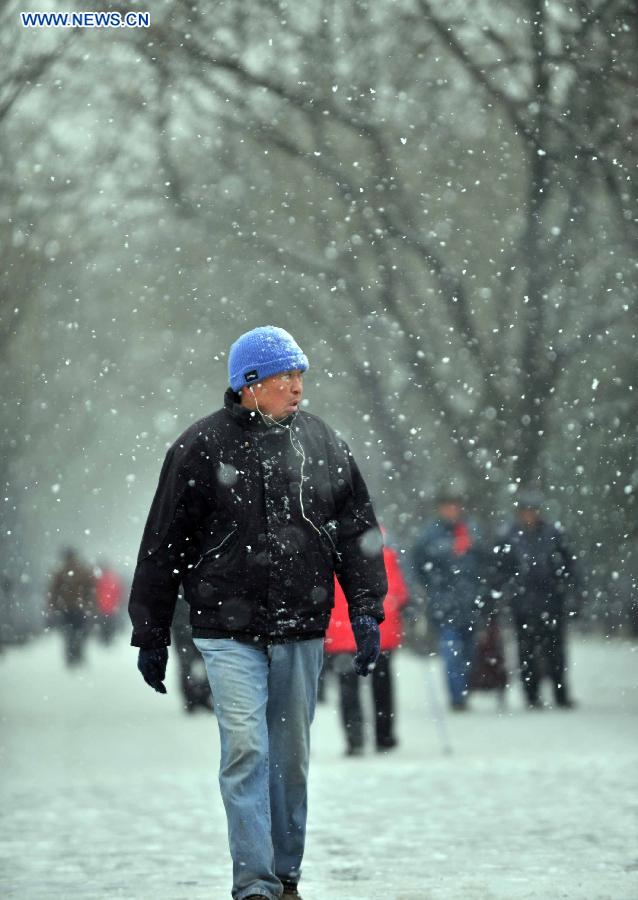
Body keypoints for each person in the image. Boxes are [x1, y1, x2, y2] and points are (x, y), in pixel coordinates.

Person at [128, 325, 387, 900]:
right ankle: (255, 884)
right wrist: (151, 632)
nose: (297, 386)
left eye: (300, 375)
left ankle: (285, 872)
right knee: (246, 749)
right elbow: (163, 544)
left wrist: (367, 609)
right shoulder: (199, 448)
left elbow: (358, 533)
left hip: (303, 624)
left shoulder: (323, 443)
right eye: (285, 375)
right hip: (227, 629)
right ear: (249, 384)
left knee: (289, 761)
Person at [495, 488, 580, 709]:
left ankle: (560, 694)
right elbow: (500, 569)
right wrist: (509, 589)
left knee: (555, 651)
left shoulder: (553, 534)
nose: (529, 515)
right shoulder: (509, 535)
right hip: (522, 604)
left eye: (533, 510)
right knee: (526, 652)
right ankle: (531, 695)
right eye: (526, 511)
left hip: (551, 601)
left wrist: (564, 586)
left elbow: (568, 564)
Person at [325, 531, 409, 755]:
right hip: (379, 629)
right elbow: (398, 591)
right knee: (382, 686)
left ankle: (355, 739)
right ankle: (384, 736)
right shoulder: (383, 549)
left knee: (348, 688)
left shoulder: (328, 545)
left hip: (341, 630)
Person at [411, 491, 486, 711]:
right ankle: (457, 696)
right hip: (444, 605)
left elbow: (484, 563)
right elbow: (418, 564)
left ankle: (464, 688)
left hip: (470, 604)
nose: (451, 511)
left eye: (454, 506)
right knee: (451, 651)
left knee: (469, 652)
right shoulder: (429, 535)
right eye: (447, 507)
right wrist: (431, 587)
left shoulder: (472, 531)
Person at [46, 546, 95, 666]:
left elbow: (53, 591)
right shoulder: (82, 570)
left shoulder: (60, 572)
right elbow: (90, 588)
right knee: (79, 633)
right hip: (79, 608)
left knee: (68, 633)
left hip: (66, 608)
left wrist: (52, 605)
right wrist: (89, 604)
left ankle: (70, 656)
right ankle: (78, 655)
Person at [95, 560, 124, 645]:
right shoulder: (113, 577)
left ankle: (105, 639)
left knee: (104, 625)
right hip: (111, 607)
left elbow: (95, 592)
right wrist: (117, 602)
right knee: (109, 625)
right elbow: (119, 591)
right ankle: (108, 640)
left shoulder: (99, 578)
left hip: (102, 607)